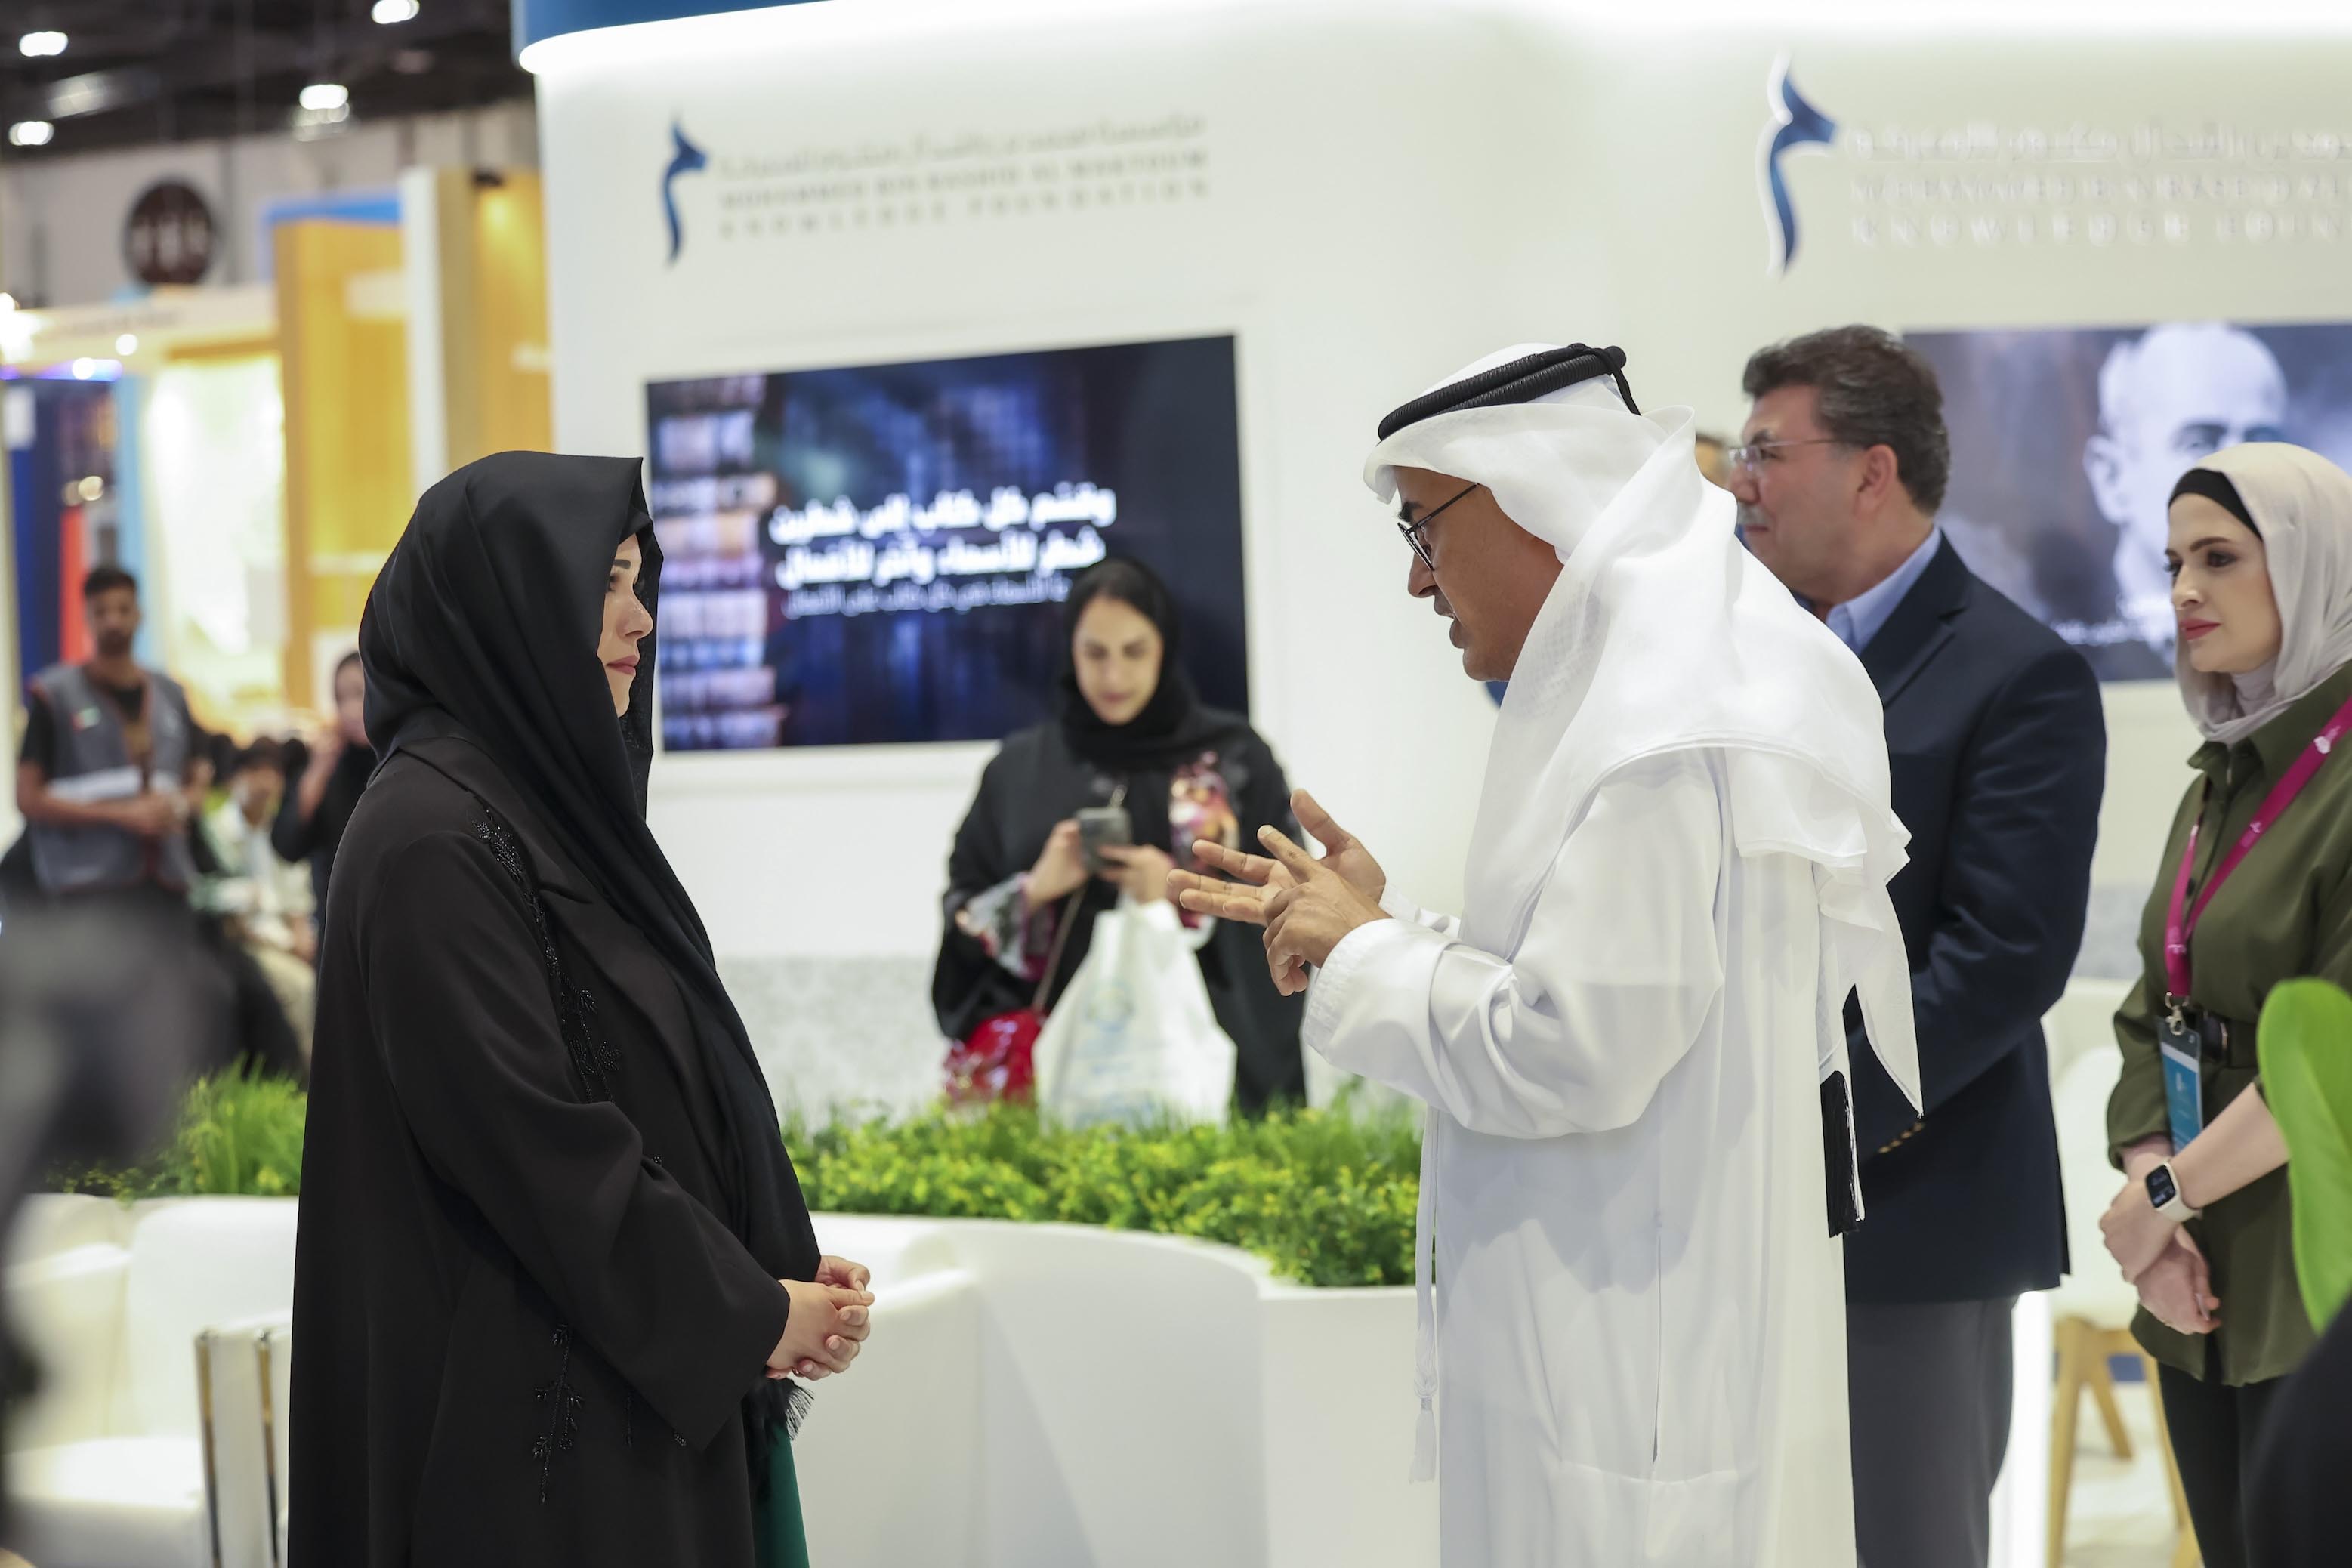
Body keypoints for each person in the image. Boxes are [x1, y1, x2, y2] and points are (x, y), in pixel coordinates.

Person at [1175, 342, 1921, 1566]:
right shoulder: (1650, 689)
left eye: (1422, 528)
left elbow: (1574, 1050)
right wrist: (1386, 929)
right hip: (1627, 1347)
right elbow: (1588, 987)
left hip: (1630, 1381)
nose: (1415, 580)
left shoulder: (1654, 729)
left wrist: (1367, 954)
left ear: (1530, 498)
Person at [290, 452, 875, 1568]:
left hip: (616, 1400)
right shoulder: (430, 840)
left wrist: (765, 1269)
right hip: (526, 1455)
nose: (639, 617)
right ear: (509, 600)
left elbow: (645, 1082)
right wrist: (747, 1310)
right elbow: (535, 1143)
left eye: (636, 579)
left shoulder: (534, 818)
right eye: (604, 581)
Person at [1732, 325, 2106, 1568]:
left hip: (1908, 1200)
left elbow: (2001, 958)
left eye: (1765, 451)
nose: (1738, 481)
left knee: (1904, 1540)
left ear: (1869, 470)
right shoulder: (1749, 661)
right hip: (1740, 1204)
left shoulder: (2017, 673)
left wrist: (1813, 1123)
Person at [2099, 444, 2352, 1568]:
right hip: (2201, 1280)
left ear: (2309, 563)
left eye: (2219, 558)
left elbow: (2333, 1059)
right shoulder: (2223, 772)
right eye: (2172, 564)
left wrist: (2162, 1197)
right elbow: (2154, 1005)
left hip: (2318, 1281)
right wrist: (2157, 1203)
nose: (2183, 592)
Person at [932, 556, 1306, 1113]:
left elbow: (1291, 908)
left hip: (1205, 1085)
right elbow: (962, 911)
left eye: (1134, 652)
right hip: (1054, 1091)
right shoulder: (1020, 770)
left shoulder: (1235, 761)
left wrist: (1181, 899)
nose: (1113, 677)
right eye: (1095, 653)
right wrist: (1033, 892)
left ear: (1165, 648)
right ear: (1070, 650)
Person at [2079, 323, 2289, 678]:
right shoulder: (2055, 650)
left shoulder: (2307, 633)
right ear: (2112, 479)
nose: (2238, 474)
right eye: (2198, 443)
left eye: (2260, 442)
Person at [14, 565, 208, 907]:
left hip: (165, 882)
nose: (113, 622)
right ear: (87, 618)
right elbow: (28, 797)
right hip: (86, 885)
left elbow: (199, 777)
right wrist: (123, 814)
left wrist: (178, 806)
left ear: (139, 615)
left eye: (123, 609)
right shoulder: (55, 696)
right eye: (101, 612)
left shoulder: (171, 694)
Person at [199, 739, 318, 1063]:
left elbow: (296, 894)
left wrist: (300, 935)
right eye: (255, 772)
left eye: (273, 773)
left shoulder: (279, 830)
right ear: (235, 777)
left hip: (286, 937)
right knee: (301, 986)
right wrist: (286, 945)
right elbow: (231, 914)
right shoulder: (217, 830)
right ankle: (305, 1074)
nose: (265, 783)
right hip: (247, 941)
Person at [272, 650, 372, 926]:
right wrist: (316, 775)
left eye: (360, 693)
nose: (350, 709)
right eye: (341, 698)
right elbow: (287, 845)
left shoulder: (400, 764)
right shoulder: (327, 766)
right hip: (337, 924)